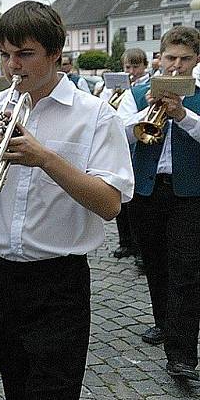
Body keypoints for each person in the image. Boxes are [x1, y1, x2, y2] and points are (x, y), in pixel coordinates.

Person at [0, 1, 134, 399]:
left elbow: (109, 204)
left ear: (55, 53)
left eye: (25, 54)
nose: (13, 66)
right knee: (15, 383)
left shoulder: (95, 115)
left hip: (58, 281)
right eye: (6, 54)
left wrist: (44, 158)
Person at [116, 26, 200, 382]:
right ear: (159, 57)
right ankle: (164, 323)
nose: (176, 66)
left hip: (189, 193)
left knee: (187, 270)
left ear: (196, 61)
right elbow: (116, 131)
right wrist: (146, 113)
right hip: (147, 192)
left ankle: (181, 355)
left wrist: (182, 114)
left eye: (184, 60)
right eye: (170, 58)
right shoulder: (137, 94)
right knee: (155, 264)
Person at [99, 48, 149, 261]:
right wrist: (110, 94)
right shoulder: (115, 89)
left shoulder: (148, 87)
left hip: (138, 147)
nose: (131, 71)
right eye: (127, 67)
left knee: (136, 201)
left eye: (135, 66)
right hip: (119, 148)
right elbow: (106, 111)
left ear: (144, 66)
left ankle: (139, 247)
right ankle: (125, 242)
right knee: (120, 196)